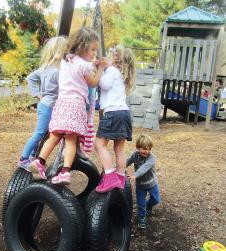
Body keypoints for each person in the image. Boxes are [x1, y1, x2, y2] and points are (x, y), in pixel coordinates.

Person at [28, 27, 106, 183]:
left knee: (54, 136)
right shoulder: (84, 65)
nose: (94, 54)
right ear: (83, 46)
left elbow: (77, 67)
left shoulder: (65, 60)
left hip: (61, 104)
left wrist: (93, 64)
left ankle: (40, 161)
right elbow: (92, 82)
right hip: (75, 104)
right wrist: (100, 69)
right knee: (70, 140)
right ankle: (64, 172)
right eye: (92, 50)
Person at [18, 36, 68, 170]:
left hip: (46, 104)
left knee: (45, 134)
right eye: (67, 49)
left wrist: (38, 95)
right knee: (40, 133)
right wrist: (38, 95)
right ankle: (24, 158)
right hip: (48, 106)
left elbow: (31, 78)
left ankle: (33, 155)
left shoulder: (45, 67)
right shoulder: (58, 71)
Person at [95, 45, 136, 193]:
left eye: (110, 56)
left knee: (99, 144)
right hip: (124, 113)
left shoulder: (112, 71)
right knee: (119, 148)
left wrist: (100, 69)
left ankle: (110, 176)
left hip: (113, 112)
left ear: (116, 59)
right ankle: (120, 177)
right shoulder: (123, 75)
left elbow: (104, 85)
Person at [126, 134, 161, 230]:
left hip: (152, 183)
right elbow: (127, 161)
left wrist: (134, 175)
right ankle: (141, 218)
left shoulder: (151, 158)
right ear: (138, 147)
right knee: (141, 203)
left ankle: (148, 206)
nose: (147, 151)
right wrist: (120, 166)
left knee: (156, 200)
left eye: (149, 149)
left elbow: (144, 168)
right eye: (144, 149)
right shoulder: (135, 155)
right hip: (140, 185)